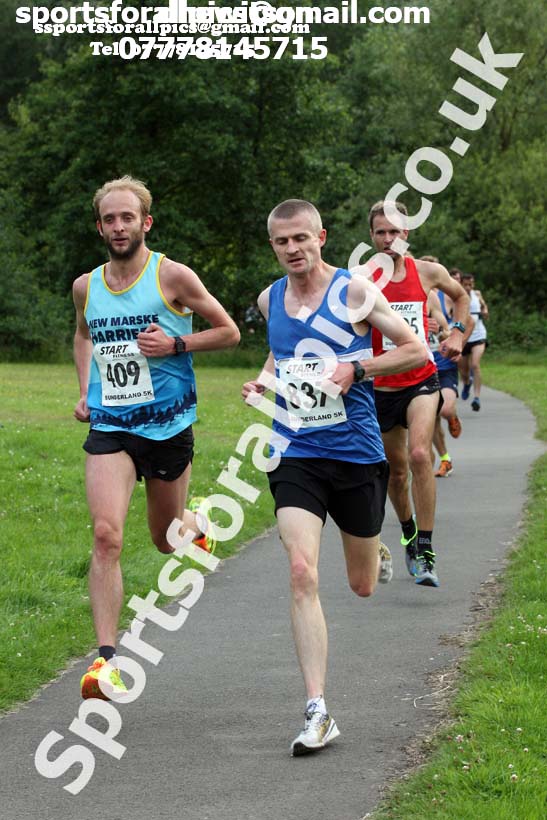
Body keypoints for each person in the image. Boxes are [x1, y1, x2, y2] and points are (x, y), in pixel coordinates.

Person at [242, 199, 425, 756]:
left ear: (320, 236)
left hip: (354, 452)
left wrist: (357, 367)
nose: (293, 249)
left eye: (302, 238)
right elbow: (281, 359)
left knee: (361, 584)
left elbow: (415, 349)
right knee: (301, 571)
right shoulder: (269, 298)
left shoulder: (354, 293)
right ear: (272, 245)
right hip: (295, 450)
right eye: (281, 242)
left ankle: (377, 548)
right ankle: (318, 709)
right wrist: (262, 384)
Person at [73, 176, 240, 699]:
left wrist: (175, 344)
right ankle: (106, 662)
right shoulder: (87, 286)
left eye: (127, 218)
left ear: (145, 222)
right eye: (109, 219)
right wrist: (86, 390)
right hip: (111, 425)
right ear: (99, 225)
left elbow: (230, 331)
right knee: (106, 535)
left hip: (167, 427)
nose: (118, 226)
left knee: (164, 539)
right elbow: (83, 335)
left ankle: (193, 523)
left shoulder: (172, 276)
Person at [368, 202, 470, 587]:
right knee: (395, 473)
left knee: (418, 454)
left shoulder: (426, 272)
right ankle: (409, 533)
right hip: (379, 387)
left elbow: (460, 297)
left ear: (406, 233)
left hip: (421, 379)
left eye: (395, 231)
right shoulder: (361, 280)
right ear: (373, 237)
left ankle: (426, 548)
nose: (389, 239)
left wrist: (457, 332)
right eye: (381, 232)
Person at [459, 273, 489, 411]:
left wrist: (485, 311)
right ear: (461, 284)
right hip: (464, 337)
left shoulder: (477, 294)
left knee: (475, 364)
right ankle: (466, 383)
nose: (468, 287)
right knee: (464, 371)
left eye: (470, 284)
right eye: (465, 284)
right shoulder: (457, 295)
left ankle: (476, 398)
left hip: (478, 335)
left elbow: (484, 307)